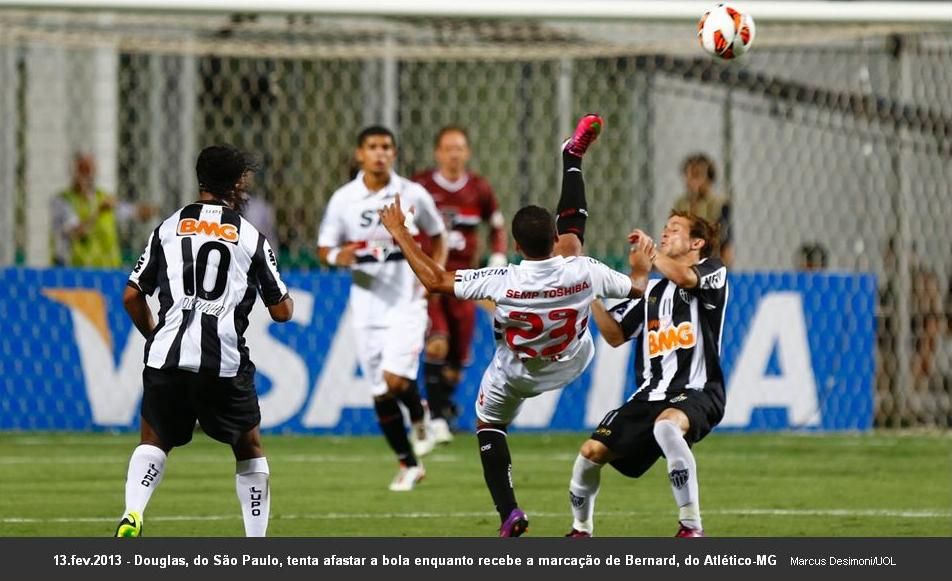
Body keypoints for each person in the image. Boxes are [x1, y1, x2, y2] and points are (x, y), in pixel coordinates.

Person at [380, 114, 654, 536]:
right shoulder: (582, 269)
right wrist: (638, 268)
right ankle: (572, 159)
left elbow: (434, 279)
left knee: (489, 426)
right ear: (552, 242)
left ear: (518, 247)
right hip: (572, 360)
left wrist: (400, 232)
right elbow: (637, 288)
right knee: (577, 246)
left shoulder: (502, 279)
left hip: (517, 372)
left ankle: (509, 512)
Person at [115, 145, 294, 537]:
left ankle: (133, 512)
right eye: (244, 177)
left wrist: (156, 335)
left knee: (154, 439)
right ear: (235, 183)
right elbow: (282, 312)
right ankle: (255, 543)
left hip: (167, 354)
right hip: (223, 361)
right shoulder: (250, 236)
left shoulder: (167, 227)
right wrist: (284, 298)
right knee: (248, 447)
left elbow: (131, 295)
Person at [566, 210, 728, 538]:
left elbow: (685, 278)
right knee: (589, 454)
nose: (665, 234)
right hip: (649, 396)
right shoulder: (652, 293)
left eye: (674, 230)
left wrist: (650, 255)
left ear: (697, 242)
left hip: (698, 391)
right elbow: (615, 335)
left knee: (668, 426)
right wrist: (590, 294)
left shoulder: (713, 271)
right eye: (664, 228)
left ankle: (691, 526)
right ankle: (580, 530)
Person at [317, 126, 447, 491]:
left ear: (394, 152)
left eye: (386, 147)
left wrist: (431, 277)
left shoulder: (412, 194)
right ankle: (409, 464)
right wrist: (337, 255)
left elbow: (437, 235)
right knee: (380, 391)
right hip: (367, 307)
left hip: (407, 301)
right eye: (373, 147)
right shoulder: (344, 199)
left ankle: (420, 415)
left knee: (395, 379)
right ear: (360, 154)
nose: (380, 153)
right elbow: (324, 247)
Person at [412, 125, 508, 443]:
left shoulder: (479, 189)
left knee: (456, 361)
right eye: (448, 148)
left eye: (460, 148)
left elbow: (496, 224)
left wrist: (497, 255)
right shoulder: (422, 186)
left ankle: (440, 407)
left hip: (466, 281)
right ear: (438, 153)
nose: (454, 154)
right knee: (436, 341)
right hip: (431, 279)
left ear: (467, 152)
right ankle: (437, 418)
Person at [51, 153, 156, 267]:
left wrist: (148, 210)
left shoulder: (103, 197)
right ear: (74, 172)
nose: (87, 174)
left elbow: (133, 212)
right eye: (83, 169)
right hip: (78, 271)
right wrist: (98, 212)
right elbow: (77, 232)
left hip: (109, 271)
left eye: (90, 169)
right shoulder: (64, 201)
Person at [672, 153, 732, 266]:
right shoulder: (681, 203)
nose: (689, 181)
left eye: (696, 175)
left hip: (711, 260)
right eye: (687, 175)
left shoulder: (718, 204)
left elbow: (725, 242)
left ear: (709, 179)